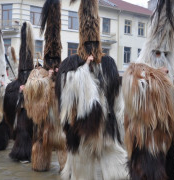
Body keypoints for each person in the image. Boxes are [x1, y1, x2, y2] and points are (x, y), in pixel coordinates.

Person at [55, 0, 127, 179]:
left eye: (95, 44)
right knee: (81, 171)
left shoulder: (108, 64)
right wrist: (83, 70)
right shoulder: (70, 64)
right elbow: (64, 99)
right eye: (88, 45)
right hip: (80, 131)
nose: (92, 50)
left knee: (116, 171)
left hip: (107, 130)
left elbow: (116, 97)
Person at [122, 0, 174, 179]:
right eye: (158, 54)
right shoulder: (135, 72)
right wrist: (156, 75)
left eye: (166, 55)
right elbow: (133, 96)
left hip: (166, 142)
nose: (162, 59)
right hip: (144, 141)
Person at [23, 0, 67, 171]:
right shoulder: (39, 73)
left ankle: (65, 166)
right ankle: (40, 162)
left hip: (59, 119)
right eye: (52, 63)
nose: (55, 67)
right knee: (41, 140)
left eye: (57, 64)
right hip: (43, 119)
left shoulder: (63, 74)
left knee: (62, 141)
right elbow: (31, 89)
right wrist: (47, 78)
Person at [3, 21, 34, 163]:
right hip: (22, 109)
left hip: (31, 109)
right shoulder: (15, 85)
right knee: (24, 128)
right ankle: (22, 153)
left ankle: (29, 152)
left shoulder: (32, 78)